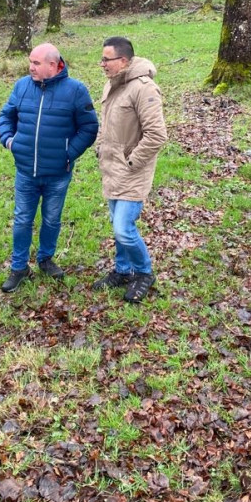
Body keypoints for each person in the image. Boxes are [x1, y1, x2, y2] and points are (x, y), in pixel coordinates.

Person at [0, 42, 98, 292]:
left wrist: (68, 154)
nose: (30, 67)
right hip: (25, 171)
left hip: (57, 174)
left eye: (36, 63)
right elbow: (6, 115)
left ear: (53, 65)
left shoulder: (76, 90)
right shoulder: (22, 86)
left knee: (52, 220)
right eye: (30, 62)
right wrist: (9, 140)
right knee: (22, 219)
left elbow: (89, 127)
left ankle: (45, 259)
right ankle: (19, 267)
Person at [93, 36, 167, 303]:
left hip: (133, 171)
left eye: (106, 59)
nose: (102, 64)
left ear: (123, 60)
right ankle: (122, 271)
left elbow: (157, 135)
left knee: (124, 228)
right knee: (117, 226)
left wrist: (132, 162)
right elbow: (107, 125)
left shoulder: (144, 89)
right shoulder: (112, 85)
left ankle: (144, 273)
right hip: (112, 167)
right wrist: (101, 147)